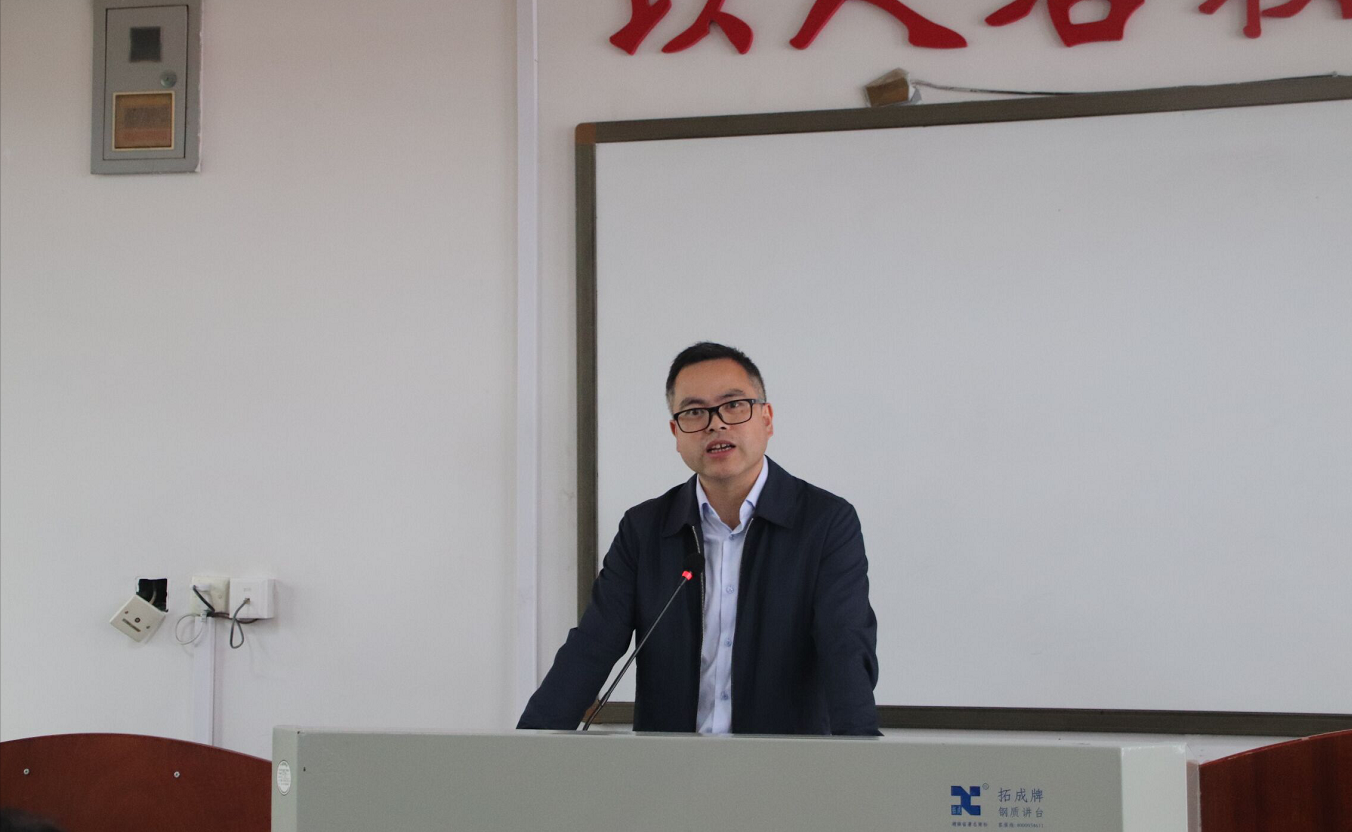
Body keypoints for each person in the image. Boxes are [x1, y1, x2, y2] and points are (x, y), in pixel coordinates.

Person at [518, 342, 879, 735]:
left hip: (783, 764)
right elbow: (592, 647)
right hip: (670, 766)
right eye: (694, 412)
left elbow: (844, 647)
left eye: (734, 405)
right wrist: (528, 747)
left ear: (767, 419)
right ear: (676, 433)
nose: (716, 424)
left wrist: (859, 754)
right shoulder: (645, 529)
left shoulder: (824, 522)